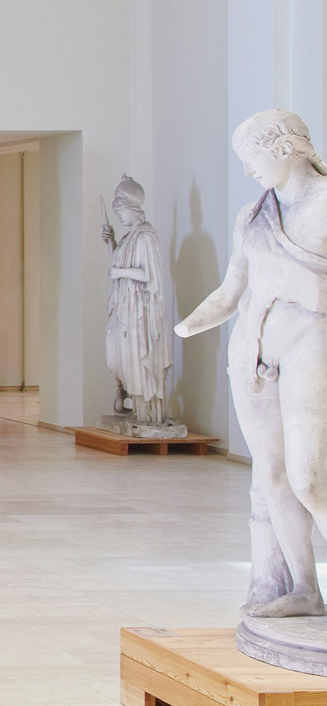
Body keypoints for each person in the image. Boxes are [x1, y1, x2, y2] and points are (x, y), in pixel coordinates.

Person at [178, 111, 327, 618]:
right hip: (252, 354)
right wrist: (184, 327)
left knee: (310, 476)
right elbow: (230, 291)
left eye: (252, 158)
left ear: (284, 148)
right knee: (273, 477)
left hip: (312, 343)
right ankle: (305, 589)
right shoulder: (252, 215)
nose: (248, 172)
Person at [102, 175, 174, 433]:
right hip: (124, 308)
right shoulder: (128, 238)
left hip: (138, 313)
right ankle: (126, 399)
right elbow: (118, 267)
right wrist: (111, 244)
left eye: (121, 211)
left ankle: (147, 414)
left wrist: (120, 273)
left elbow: (149, 276)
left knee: (135, 356)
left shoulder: (145, 237)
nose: (119, 217)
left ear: (133, 209)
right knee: (116, 355)